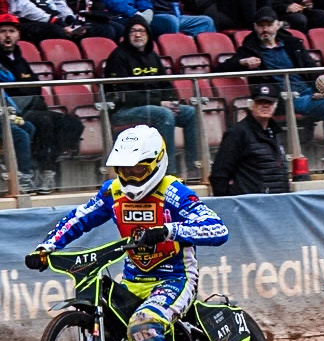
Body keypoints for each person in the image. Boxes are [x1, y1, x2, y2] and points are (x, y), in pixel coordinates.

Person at [25, 125, 228, 341]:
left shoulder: (173, 191)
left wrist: (169, 230)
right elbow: (79, 217)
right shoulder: (112, 192)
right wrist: (46, 248)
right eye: (124, 169)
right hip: (133, 281)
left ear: (157, 163)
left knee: (143, 325)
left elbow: (217, 229)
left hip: (175, 278)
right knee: (112, 321)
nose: (131, 176)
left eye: (138, 169)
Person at [216, 6, 324, 174]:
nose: (265, 29)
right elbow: (220, 68)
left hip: (308, 92)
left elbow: (312, 69)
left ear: (278, 25)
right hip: (283, 98)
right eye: (261, 25)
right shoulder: (249, 48)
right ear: (255, 27)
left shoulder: (292, 43)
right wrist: (243, 62)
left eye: (269, 24)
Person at [0, 13, 84, 194]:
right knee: (44, 122)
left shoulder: (21, 61)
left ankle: (48, 165)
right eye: (3, 31)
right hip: (14, 112)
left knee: (72, 123)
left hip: (35, 108)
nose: (7, 35)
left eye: (12, 31)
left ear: (18, 35)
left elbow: (36, 89)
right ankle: (44, 170)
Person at [104, 15, 198, 176]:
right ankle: (168, 172)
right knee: (164, 114)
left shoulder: (152, 55)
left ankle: (195, 167)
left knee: (190, 113)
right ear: (127, 34)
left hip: (154, 106)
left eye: (141, 31)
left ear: (148, 34)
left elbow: (165, 84)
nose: (138, 35)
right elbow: (123, 96)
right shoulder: (118, 57)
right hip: (123, 111)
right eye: (133, 31)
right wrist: (160, 103)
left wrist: (172, 101)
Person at [210, 83, 290, 196]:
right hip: (248, 206)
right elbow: (219, 174)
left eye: (269, 102)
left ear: (275, 106)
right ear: (251, 105)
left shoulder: (274, 132)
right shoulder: (237, 133)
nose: (265, 106)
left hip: (276, 203)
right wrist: (227, 205)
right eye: (260, 102)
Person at [149, 0, 216, 38]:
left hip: (177, 16)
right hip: (156, 16)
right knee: (172, 21)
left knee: (206, 21)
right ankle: (174, 50)